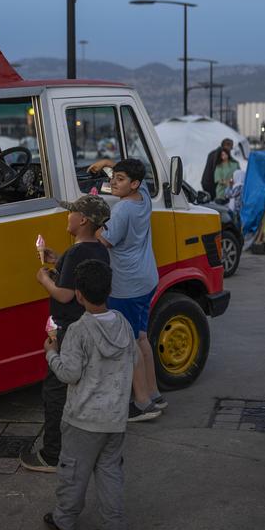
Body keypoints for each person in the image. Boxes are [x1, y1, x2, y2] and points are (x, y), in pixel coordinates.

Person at [41, 259, 136, 530]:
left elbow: (69, 374)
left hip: (82, 421)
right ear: (109, 290)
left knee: (73, 474)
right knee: (110, 475)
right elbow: (133, 360)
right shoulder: (123, 325)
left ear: (79, 295)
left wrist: (51, 353)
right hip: (115, 420)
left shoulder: (79, 331)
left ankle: (64, 521)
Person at [20, 195, 112, 473]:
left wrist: (45, 278)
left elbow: (65, 294)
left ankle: (52, 454)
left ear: (82, 220)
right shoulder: (98, 250)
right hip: (88, 327)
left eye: (71, 213)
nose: (67, 217)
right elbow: (80, 277)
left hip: (68, 329)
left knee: (55, 390)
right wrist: (59, 261)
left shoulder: (76, 253)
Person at [99, 158, 164, 422]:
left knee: (129, 344)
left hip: (126, 286)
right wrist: (108, 163)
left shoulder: (123, 210)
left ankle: (141, 403)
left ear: (134, 183)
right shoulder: (144, 197)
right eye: (113, 176)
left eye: (121, 178)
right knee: (141, 337)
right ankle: (154, 393)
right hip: (146, 279)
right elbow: (137, 177)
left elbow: (105, 241)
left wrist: (87, 222)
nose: (114, 181)